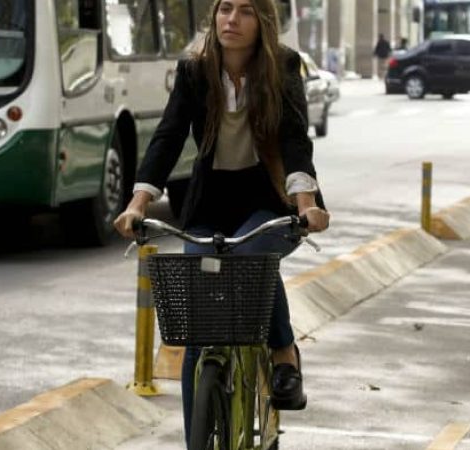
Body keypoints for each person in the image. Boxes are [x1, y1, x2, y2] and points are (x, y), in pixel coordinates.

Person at [112, 0, 330, 445]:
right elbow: (169, 136)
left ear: (263, 22)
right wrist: (138, 203)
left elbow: (293, 136)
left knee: (252, 257)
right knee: (200, 316)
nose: (232, 19)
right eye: (225, 9)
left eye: (246, 11)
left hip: (267, 197)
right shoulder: (195, 71)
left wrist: (305, 202)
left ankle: (284, 353)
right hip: (210, 201)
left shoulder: (283, 66)